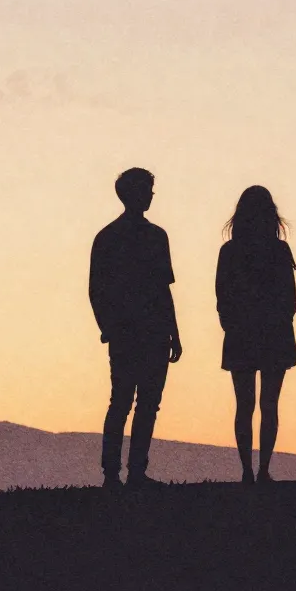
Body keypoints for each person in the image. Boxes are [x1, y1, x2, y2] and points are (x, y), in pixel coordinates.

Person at [89, 168, 183, 489]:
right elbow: (99, 290)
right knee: (135, 403)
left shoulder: (111, 237)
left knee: (130, 402)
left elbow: (160, 289)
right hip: (138, 331)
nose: (151, 195)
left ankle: (122, 473)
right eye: (147, 189)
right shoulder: (149, 237)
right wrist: (109, 327)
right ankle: (123, 473)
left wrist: (173, 332)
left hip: (138, 332)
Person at [215, 186, 296, 483]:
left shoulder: (229, 252)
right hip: (275, 334)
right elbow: (290, 299)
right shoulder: (279, 251)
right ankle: (263, 469)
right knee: (269, 405)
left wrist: (232, 325)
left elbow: (222, 297)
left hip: (241, 334)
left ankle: (247, 471)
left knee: (244, 405)